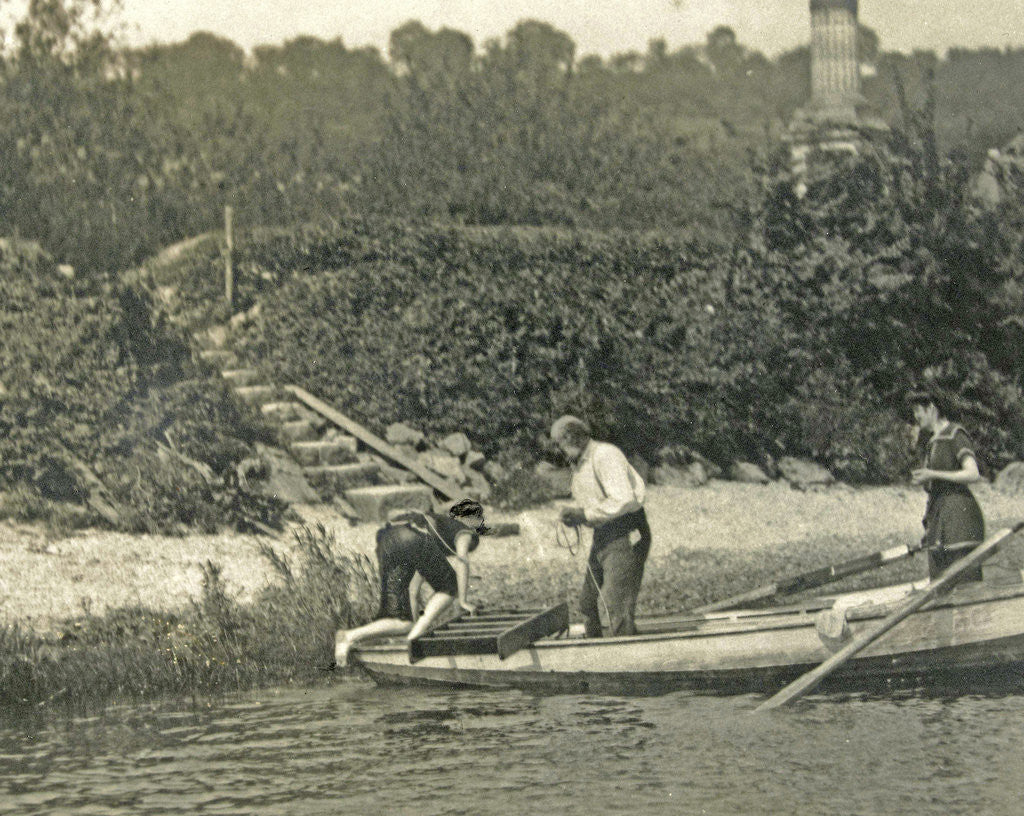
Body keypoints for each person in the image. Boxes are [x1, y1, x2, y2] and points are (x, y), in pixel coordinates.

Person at [333, 498, 487, 666]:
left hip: (388, 538)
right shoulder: (464, 532)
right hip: (413, 536)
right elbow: (462, 560)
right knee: (450, 587)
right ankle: (413, 640)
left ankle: (349, 636)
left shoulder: (439, 529)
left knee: (403, 621)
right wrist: (463, 600)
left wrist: (414, 621)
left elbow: (414, 587)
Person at [551, 415, 651, 637]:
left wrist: (584, 514)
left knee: (614, 603)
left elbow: (623, 499)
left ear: (570, 438)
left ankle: (624, 653)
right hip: (604, 533)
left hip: (627, 532)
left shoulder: (605, 455)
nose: (558, 451)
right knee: (588, 602)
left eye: (558, 444)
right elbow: (592, 503)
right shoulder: (580, 463)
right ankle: (596, 651)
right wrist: (576, 516)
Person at [907, 391, 985, 582]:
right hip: (940, 521)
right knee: (940, 587)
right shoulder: (932, 442)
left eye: (918, 411)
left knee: (965, 590)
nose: (916, 417)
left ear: (932, 408)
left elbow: (973, 473)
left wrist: (933, 474)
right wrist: (927, 479)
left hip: (960, 521)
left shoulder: (954, 434)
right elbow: (937, 484)